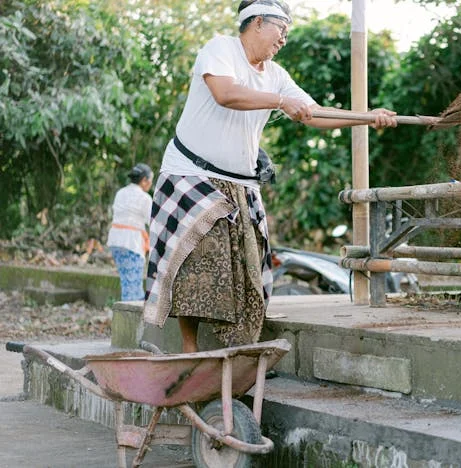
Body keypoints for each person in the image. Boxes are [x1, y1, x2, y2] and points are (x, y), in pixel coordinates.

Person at [143, 0, 397, 353]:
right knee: (201, 261)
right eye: (281, 30)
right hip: (192, 177)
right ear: (257, 22)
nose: (284, 40)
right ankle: (190, 349)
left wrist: (367, 117)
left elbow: (313, 114)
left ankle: (229, 352)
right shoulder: (221, 49)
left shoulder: (276, 75)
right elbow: (225, 94)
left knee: (246, 270)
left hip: (241, 183)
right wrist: (279, 102)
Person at [107, 164, 154, 301]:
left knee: (127, 283)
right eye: (150, 180)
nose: (150, 184)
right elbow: (152, 221)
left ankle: (128, 316)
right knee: (133, 288)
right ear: (144, 180)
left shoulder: (120, 192)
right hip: (131, 243)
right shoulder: (144, 198)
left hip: (116, 241)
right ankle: (129, 319)